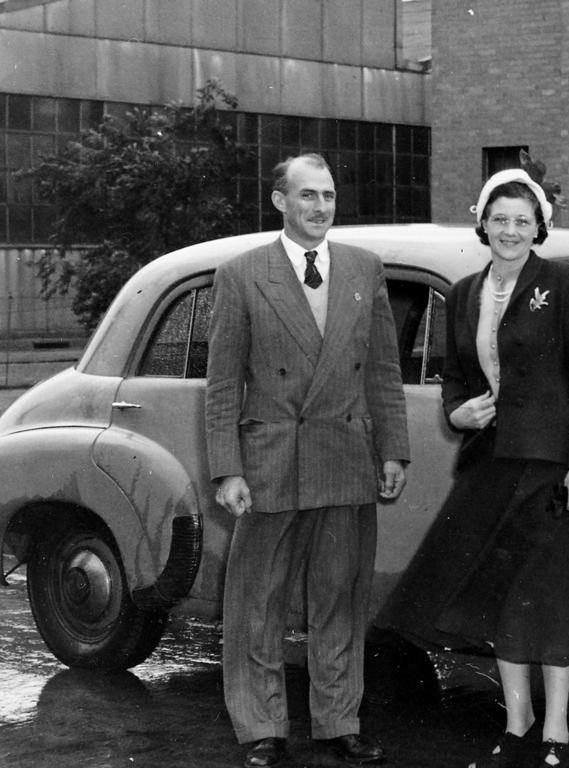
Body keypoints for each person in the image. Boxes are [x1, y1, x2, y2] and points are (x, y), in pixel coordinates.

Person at [379, 168, 569, 768]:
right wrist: (458, 413)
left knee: (548, 594)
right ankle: (518, 719)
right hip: (489, 466)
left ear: (539, 228)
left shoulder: (567, 284)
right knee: (502, 593)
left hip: (551, 468)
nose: (509, 230)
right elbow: (455, 377)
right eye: (499, 219)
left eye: (521, 221)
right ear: (483, 223)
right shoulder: (464, 293)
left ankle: (556, 727)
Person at [205, 152, 410, 768]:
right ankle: (261, 728)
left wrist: (394, 449)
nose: (320, 207)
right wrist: (227, 467)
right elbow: (221, 386)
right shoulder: (241, 275)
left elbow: (382, 371)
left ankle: (338, 721)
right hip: (271, 460)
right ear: (279, 202)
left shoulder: (364, 269)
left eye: (328, 196)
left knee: (340, 599)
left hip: (345, 455)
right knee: (257, 602)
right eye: (307, 196)